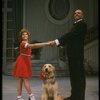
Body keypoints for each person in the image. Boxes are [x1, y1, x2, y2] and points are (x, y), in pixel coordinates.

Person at [49, 9, 87, 100]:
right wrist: (63, 45)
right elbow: (72, 38)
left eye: (79, 13)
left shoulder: (82, 24)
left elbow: (70, 35)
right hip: (73, 55)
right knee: (74, 77)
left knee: (78, 78)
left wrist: (57, 41)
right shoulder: (76, 24)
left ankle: (79, 98)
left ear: (83, 15)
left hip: (76, 55)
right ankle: (74, 96)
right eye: (75, 13)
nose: (76, 14)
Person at [12, 28, 50, 100]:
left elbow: (30, 49)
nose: (25, 35)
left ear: (28, 35)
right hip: (22, 62)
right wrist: (46, 43)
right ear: (21, 36)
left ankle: (19, 97)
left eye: (26, 34)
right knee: (25, 79)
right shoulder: (23, 43)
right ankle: (31, 96)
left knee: (20, 79)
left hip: (25, 61)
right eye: (23, 34)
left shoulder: (27, 43)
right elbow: (34, 45)